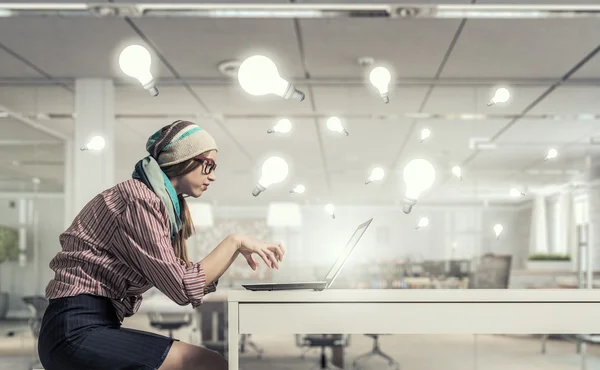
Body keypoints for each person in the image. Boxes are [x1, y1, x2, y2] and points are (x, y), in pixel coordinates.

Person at [37, 120, 285, 370]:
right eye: (208, 164)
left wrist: (233, 251)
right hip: (74, 330)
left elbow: (184, 278)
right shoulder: (138, 198)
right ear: (183, 159)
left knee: (208, 362)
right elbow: (182, 288)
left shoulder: (158, 204)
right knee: (206, 363)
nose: (213, 175)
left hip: (92, 323)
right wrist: (234, 241)